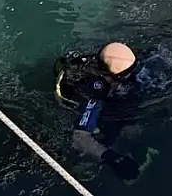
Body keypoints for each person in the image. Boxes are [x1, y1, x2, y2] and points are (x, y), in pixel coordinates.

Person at [54, 42, 145, 182]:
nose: (132, 79)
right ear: (108, 77)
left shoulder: (105, 68)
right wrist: (114, 159)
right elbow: (80, 138)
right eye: (127, 77)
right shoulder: (94, 94)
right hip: (81, 109)